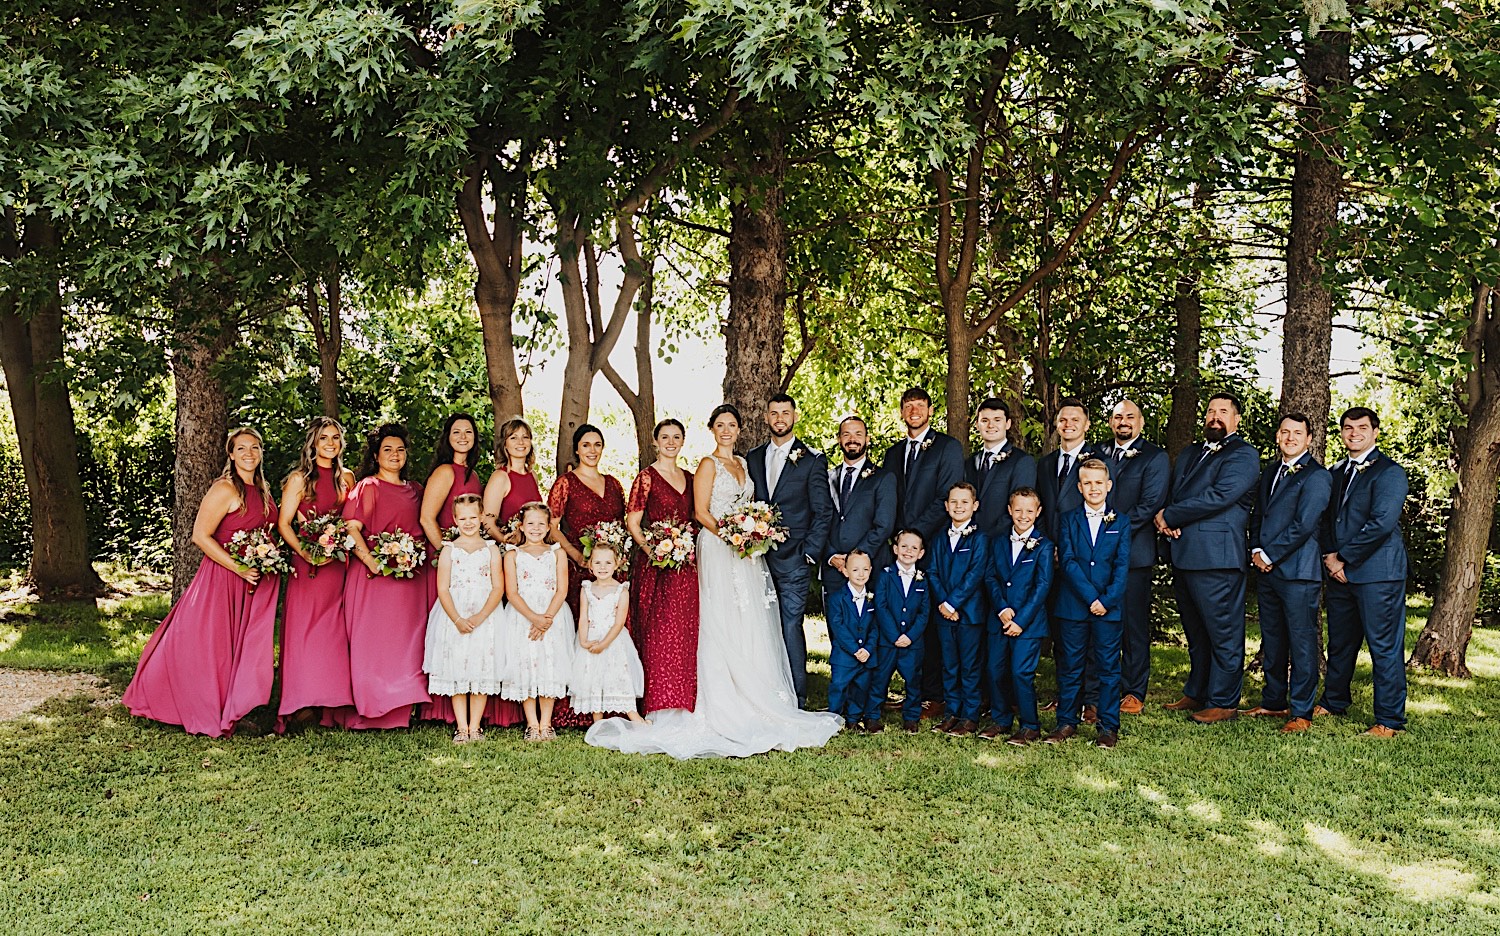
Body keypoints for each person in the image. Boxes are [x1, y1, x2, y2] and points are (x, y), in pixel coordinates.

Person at [584, 404, 842, 758]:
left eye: (731, 425)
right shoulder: (706, 465)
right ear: (711, 429)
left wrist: (751, 533)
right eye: (719, 425)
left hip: (746, 554)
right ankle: (717, 699)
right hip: (719, 547)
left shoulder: (745, 463)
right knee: (716, 618)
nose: (725, 430)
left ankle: (756, 694)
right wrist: (732, 535)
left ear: (739, 430)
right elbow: (699, 512)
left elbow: (751, 504)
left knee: (747, 619)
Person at [124, 428, 280, 738]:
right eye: (242, 448)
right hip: (223, 578)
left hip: (252, 582)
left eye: (255, 448)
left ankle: (236, 705)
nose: (249, 453)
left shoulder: (262, 489)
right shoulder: (224, 489)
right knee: (212, 645)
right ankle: (170, 698)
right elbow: (200, 536)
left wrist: (266, 557)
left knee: (240, 646)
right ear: (231, 454)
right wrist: (238, 566)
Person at [1156, 392, 1260, 724]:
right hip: (1185, 553)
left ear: (1236, 419)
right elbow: (1178, 492)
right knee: (1197, 632)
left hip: (1218, 558)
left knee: (1223, 632)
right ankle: (1197, 691)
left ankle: (1224, 701)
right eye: (1211, 410)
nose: (1215, 416)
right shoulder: (1189, 453)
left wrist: (1170, 516)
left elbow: (1219, 496)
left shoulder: (1244, 455)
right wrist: (1170, 522)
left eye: (1223, 412)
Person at [332, 423, 433, 730]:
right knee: (374, 643)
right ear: (375, 455)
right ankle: (372, 708)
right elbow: (351, 528)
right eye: (387, 449)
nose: (395, 455)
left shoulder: (416, 490)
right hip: (374, 580)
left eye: (400, 449)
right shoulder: (367, 487)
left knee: (408, 643)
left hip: (410, 581)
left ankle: (402, 710)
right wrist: (372, 561)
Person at [1318, 407, 1410, 737]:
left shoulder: (1390, 472)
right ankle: (1333, 702)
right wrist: (1330, 557)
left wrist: (1343, 557)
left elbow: (1381, 524)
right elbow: (1327, 519)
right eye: (1347, 428)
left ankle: (1389, 720)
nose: (1353, 433)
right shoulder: (1336, 471)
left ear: (1375, 432)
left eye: (1361, 427)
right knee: (1341, 644)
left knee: (1383, 647)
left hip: (1378, 574)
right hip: (1340, 574)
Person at [1246, 413, 1332, 733]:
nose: (1290, 437)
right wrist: (1255, 550)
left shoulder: (1317, 476)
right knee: (1273, 639)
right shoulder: (1270, 472)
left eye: (1298, 433)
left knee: (1302, 643)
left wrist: (1269, 554)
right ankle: (1273, 702)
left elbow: (1304, 525)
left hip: (1298, 573)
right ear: (1278, 436)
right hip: (1266, 570)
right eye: (1285, 432)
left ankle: (1301, 713)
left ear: (1310, 439)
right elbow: (1258, 516)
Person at [746, 394, 832, 708]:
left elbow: (823, 511)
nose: (779, 418)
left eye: (785, 412)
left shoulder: (812, 459)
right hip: (756, 559)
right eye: (774, 413)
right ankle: (764, 689)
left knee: (790, 624)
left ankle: (797, 694)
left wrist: (809, 552)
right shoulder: (753, 458)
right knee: (759, 625)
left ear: (794, 416)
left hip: (794, 558)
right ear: (766, 417)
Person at [883, 387, 965, 720]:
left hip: (930, 547)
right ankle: (907, 690)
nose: (914, 410)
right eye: (908, 406)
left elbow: (946, 498)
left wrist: (913, 537)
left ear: (931, 410)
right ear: (902, 412)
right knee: (899, 612)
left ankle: (934, 695)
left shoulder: (947, 448)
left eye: (920, 405)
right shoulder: (893, 452)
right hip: (899, 550)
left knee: (929, 621)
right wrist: (897, 540)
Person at [276, 417, 355, 731]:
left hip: (337, 564)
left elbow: (351, 519)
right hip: (307, 565)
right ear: (313, 443)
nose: (331, 443)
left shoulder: (347, 478)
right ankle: (299, 704)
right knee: (304, 633)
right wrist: (306, 552)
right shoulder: (299, 479)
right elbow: (284, 524)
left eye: (335, 438)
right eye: (324, 438)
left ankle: (330, 706)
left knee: (333, 635)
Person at [1047, 459, 1130, 748]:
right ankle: (1066, 722)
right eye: (1088, 483)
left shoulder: (1121, 521)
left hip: (1109, 609)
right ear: (1080, 487)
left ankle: (1108, 727)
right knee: (1070, 666)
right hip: (1073, 605)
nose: (1093, 488)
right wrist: (1090, 598)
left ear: (1108, 486)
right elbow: (1067, 561)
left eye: (1099, 483)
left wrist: (1105, 600)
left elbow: (1121, 567)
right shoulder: (1068, 519)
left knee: (1108, 668)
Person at [624, 419, 700, 715]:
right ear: (655, 442)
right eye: (665, 437)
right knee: (658, 633)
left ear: (683, 441)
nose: (670, 442)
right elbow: (633, 522)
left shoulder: (691, 478)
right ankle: (657, 702)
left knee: (685, 633)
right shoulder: (647, 477)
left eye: (676, 437)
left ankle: (685, 700)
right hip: (655, 567)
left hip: (685, 569)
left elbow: (694, 519)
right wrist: (654, 552)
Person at [1102, 399, 1170, 715]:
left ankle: (1133, 691)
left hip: (1134, 554)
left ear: (1140, 422)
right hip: (1096, 556)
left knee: (1133, 625)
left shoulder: (1154, 457)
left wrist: (1108, 534)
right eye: (1118, 417)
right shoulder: (1097, 453)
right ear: (1110, 422)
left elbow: (1149, 504)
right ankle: (1097, 689)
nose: (1124, 421)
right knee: (1097, 622)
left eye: (1130, 416)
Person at [423, 494, 506, 744]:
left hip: (485, 615)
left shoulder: (491, 549)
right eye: (462, 518)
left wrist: (481, 616)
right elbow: (443, 589)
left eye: (473, 517)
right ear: (454, 519)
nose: (468, 522)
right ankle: (461, 727)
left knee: (481, 667)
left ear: (482, 517)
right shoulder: (449, 549)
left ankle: (475, 726)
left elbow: (497, 587)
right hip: (454, 614)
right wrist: (457, 619)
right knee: (456, 667)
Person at [981, 487, 1052, 745]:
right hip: (999, 619)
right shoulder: (998, 541)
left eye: (1029, 510)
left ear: (1038, 512)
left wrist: (1020, 620)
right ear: (1010, 511)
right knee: (994, 670)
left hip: (1028, 624)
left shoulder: (1044, 546)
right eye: (1018, 510)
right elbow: (990, 577)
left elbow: (1042, 585)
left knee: (1021, 673)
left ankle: (1030, 725)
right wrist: (1001, 609)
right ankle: (1001, 719)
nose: (1023, 515)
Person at [501, 502, 576, 741]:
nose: (535, 528)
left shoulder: (557, 553)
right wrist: (534, 618)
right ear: (521, 526)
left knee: (549, 665)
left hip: (552, 614)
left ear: (548, 527)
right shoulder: (513, 554)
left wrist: (547, 618)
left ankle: (546, 723)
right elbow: (511, 592)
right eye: (530, 524)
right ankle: (531, 724)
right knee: (525, 664)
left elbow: (562, 589)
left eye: (541, 524)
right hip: (523, 614)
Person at [929, 482, 990, 737]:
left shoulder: (980, 538)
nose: (958, 506)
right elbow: (932, 571)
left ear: (974, 506)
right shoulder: (939, 537)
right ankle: (952, 711)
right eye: (954, 502)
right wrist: (944, 604)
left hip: (969, 614)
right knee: (949, 664)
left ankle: (970, 715)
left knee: (970, 665)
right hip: (944, 613)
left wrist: (953, 603)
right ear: (946, 506)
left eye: (964, 502)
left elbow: (975, 574)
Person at [548, 423, 627, 620]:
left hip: (611, 569)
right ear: (577, 449)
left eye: (597, 445)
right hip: (580, 568)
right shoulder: (566, 483)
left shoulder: (613, 483)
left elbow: (622, 525)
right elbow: (550, 526)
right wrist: (575, 555)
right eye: (586, 445)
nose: (592, 450)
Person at [569, 543, 647, 725]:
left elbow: (619, 622)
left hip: (613, 640)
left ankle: (634, 717)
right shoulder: (586, 588)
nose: (602, 567)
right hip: (591, 637)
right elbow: (583, 617)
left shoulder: (621, 590)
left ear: (616, 564)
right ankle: (598, 721)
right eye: (597, 563)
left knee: (618, 675)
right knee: (594, 677)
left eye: (607, 563)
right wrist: (583, 640)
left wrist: (604, 644)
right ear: (590, 565)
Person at [822, 415, 897, 594]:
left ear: (867, 439)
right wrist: (831, 555)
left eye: (858, 434)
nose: (852, 439)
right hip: (834, 568)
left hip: (869, 568)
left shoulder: (883, 478)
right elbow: (818, 520)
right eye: (846, 434)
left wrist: (855, 559)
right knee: (835, 621)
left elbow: (884, 525)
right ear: (839, 439)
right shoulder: (826, 478)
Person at [871, 531, 932, 733]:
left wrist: (910, 636)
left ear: (921, 553)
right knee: (880, 678)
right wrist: (894, 635)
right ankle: (873, 716)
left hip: (912, 643)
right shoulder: (885, 575)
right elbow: (881, 606)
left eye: (914, 548)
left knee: (913, 680)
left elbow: (924, 612)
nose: (908, 551)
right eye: (904, 546)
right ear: (895, 549)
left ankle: (911, 717)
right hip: (888, 641)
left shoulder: (923, 579)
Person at [967, 398, 1038, 538]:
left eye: (997, 420)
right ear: (977, 424)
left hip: (1003, 541)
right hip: (970, 542)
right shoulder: (970, 462)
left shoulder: (1022, 461)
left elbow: (1020, 507)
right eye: (985, 420)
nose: (990, 425)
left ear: (1008, 424)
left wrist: (987, 537)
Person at [825, 550, 879, 729]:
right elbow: (838, 627)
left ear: (870, 570)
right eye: (855, 570)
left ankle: (854, 719)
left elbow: (875, 627)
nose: (861, 574)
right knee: (839, 686)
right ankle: (834, 717)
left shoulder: (873, 598)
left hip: (866, 655)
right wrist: (855, 649)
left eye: (865, 569)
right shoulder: (836, 598)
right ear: (846, 571)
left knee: (861, 688)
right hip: (845, 655)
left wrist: (868, 649)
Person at [1036, 398, 1104, 543]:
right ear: (1056, 423)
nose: (1068, 424)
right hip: (1048, 548)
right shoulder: (1045, 463)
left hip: (1083, 548)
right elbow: (1039, 505)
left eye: (1075, 420)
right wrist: (1046, 543)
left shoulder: (1101, 462)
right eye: (1063, 420)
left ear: (1087, 425)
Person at [419, 412, 485, 553]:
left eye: (468, 432)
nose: (463, 437)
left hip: (470, 554)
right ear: (448, 437)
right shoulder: (445, 472)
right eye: (456, 432)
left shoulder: (473, 475)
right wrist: (446, 555)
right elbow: (426, 519)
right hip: (448, 558)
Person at [481, 417, 544, 540]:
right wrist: (507, 544)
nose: (520, 442)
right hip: (511, 551)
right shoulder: (500, 477)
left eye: (525, 437)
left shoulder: (533, 475)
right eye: (513, 437)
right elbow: (487, 522)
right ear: (505, 444)